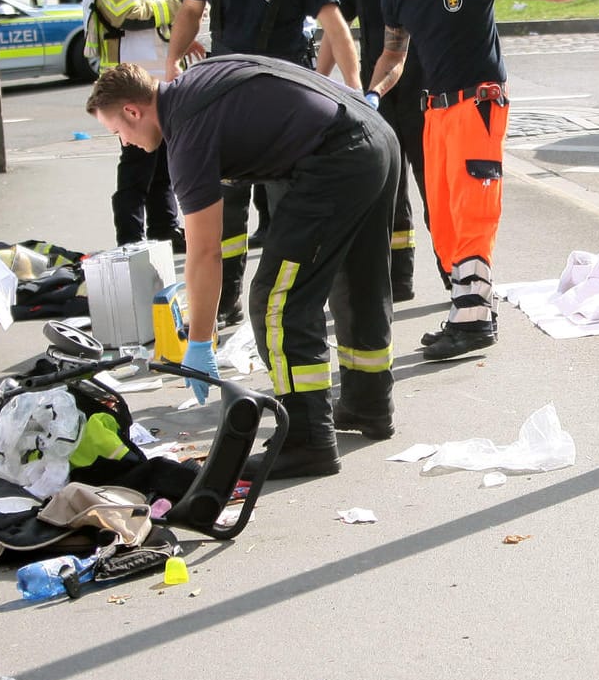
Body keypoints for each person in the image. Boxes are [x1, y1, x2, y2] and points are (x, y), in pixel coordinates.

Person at [86, 56, 400, 478]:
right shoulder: (193, 86)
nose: (124, 142)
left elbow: (204, 251)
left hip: (339, 155)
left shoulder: (187, 132)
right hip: (373, 134)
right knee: (357, 280)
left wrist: (198, 342)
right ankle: (368, 403)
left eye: (118, 132)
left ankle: (308, 441)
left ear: (132, 111)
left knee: (276, 302)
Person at [373, 0, 599, 361]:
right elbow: (394, 56)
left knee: (474, 208)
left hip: (480, 104)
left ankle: (471, 324)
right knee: (445, 219)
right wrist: (372, 93)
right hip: (436, 112)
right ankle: (472, 309)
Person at [165, 0, 362, 328]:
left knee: (286, 205)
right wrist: (171, 61)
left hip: (282, 103)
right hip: (227, 96)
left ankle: (288, 303)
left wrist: (354, 89)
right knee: (226, 207)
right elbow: (192, 11)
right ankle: (223, 302)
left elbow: (335, 27)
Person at [321, 0, 427, 304]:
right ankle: (399, 279)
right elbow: (336, 31)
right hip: (378, 99)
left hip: (424, 96)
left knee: (432, 192)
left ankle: (455, 279)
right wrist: (321, 78)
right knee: (390, 192)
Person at [86, 0, 198, 250]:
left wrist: (182, 39)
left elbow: (161, 12)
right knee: (136, 164)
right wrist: (179, 6)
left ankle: (166, 229)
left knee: (163, 159)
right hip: (127, 81)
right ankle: (130, 240)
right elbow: (126, 14)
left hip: (156, 77)